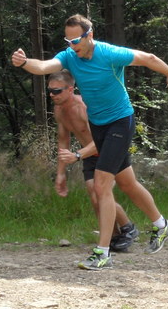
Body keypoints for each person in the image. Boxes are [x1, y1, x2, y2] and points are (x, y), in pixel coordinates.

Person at [12, 14, 168, 270]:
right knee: (127, 183)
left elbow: (149, 59)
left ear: (89, 35)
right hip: (98, 125)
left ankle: (103, 252)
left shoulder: (110, 54)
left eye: (76, 40)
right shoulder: (69, 56)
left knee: (102, 186)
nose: (72, 45)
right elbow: (44, 66)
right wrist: (24, 62)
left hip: (120, 122)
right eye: (67, 40)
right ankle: (162, 226)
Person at [49, 70, 139, 252]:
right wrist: (60, 173)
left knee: (102, 192)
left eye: (57, 91)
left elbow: (103, 139)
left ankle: (128, 228)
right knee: (95, 197)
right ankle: (114, 237)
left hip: (106, 150)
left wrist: (77, 155)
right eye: (50, 91)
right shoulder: (59, 111)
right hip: (88, 155)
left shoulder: (84, 108)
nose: (52, 95)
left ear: (70, 89)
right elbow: (63, 140)